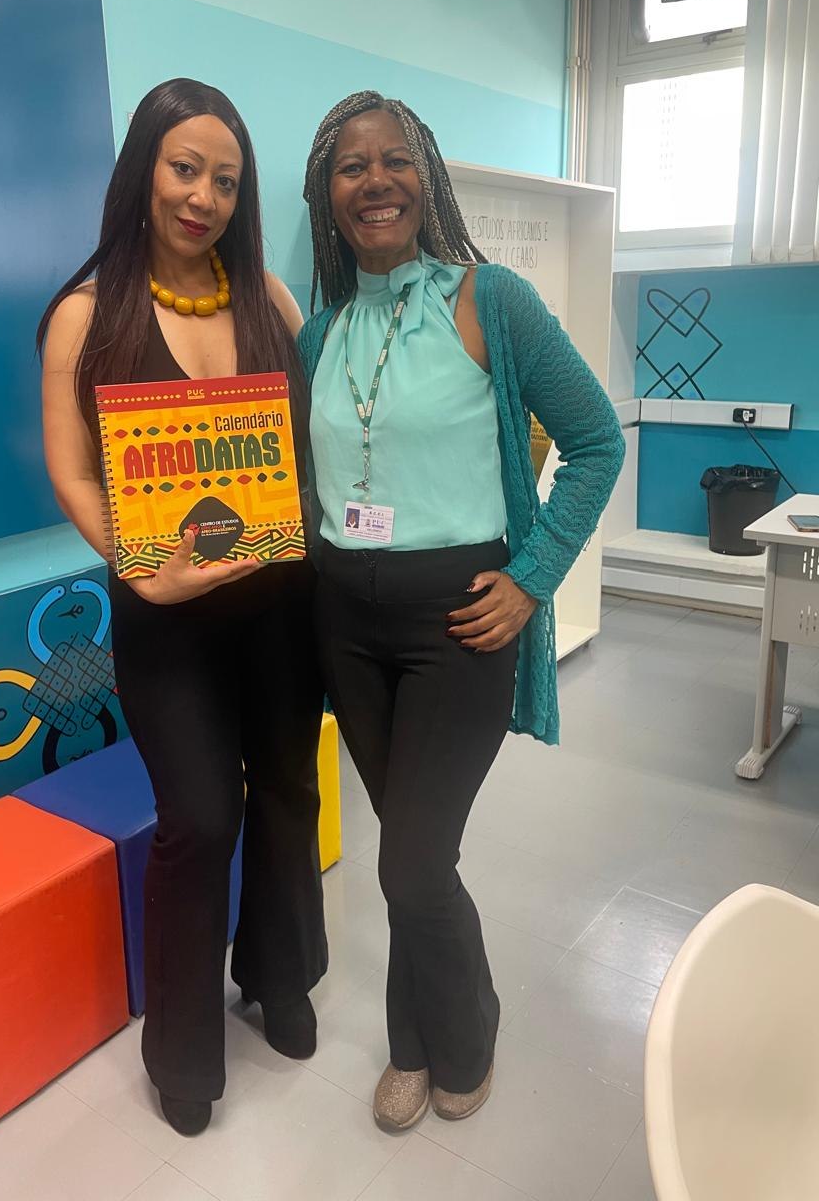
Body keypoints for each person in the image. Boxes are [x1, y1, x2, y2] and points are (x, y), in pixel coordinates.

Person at [299, 92, 624, 1130]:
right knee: (416, 854)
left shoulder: (493, 301)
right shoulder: (320, 333)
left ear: (427, 176)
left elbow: (597, 441)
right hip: (349, 627)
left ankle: (467, 1030)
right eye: (352, 166)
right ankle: (413, 1044)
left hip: (461, 624)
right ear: (327, 195)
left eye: (395, 159)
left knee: (409, 860)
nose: (376, 180)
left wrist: (532, 577)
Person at [38, 79, 327, 1137]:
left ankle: (280, 974)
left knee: (289, 790)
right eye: (185, 168)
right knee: (200, 819)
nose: (204, 196)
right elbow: (74, 472)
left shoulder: (271, 300)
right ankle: (183, 1049)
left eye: (227, 180)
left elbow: (317, 446)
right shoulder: (86, 315)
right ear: (144, 171)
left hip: (281, 607)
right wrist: (137, 564)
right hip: (166, 622)